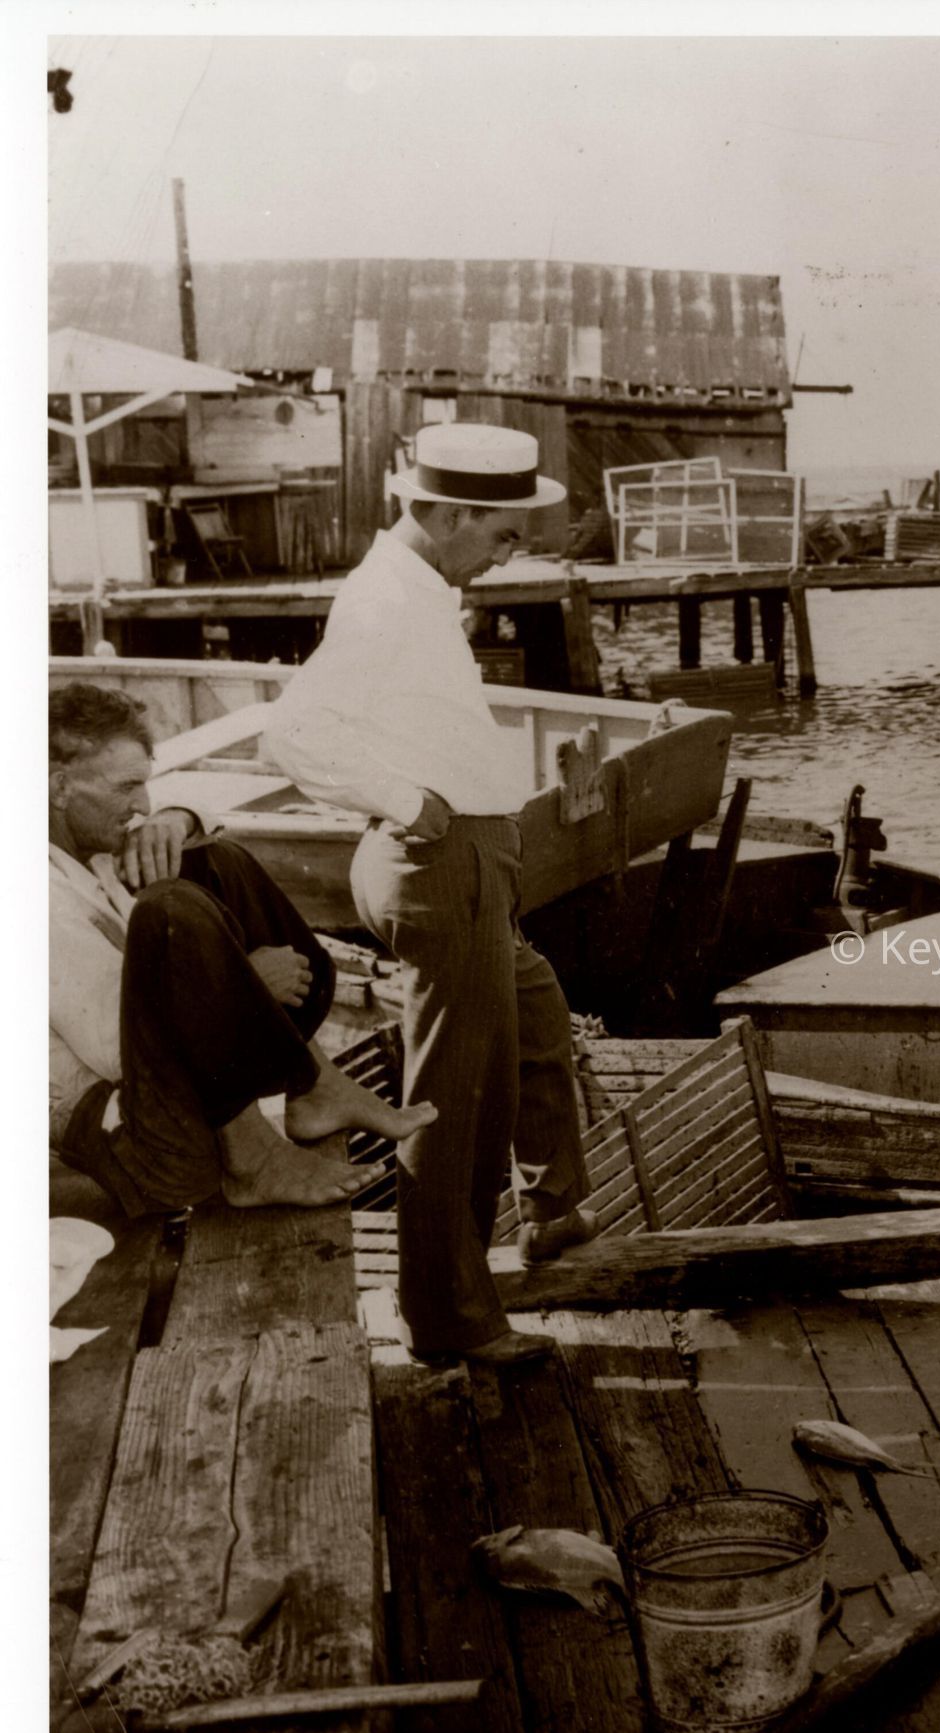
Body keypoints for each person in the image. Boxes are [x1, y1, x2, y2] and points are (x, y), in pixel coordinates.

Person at [265, 423, 595, 1368]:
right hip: (441, 866)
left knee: (537, 1015)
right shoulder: (386, 603)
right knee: (456, 1098)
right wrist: (409, 800)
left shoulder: (419, 592)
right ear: (443, 512)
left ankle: (554, 1208)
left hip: (464, 864)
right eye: (499, 533)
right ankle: (449, 1317)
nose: (512, 550)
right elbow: (294, 737)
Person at [49, 684, 432, 1216]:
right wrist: (245, 985)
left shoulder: (88, 854)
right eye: (127, 788)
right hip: (145, 1152)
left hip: (178, 1110)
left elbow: (203, 823)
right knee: (168, 909)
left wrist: (179, 818)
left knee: (213, 861)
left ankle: (314, 1082)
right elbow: (121, 1049)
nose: (142, 805)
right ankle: (253, 1160)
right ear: (60, 788)